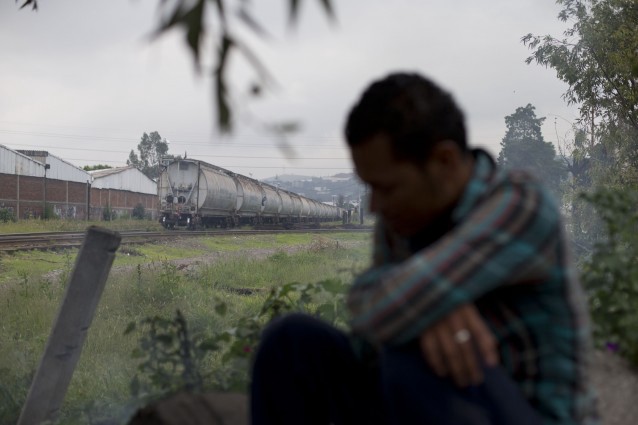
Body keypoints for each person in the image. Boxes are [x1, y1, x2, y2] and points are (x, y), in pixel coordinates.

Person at [250, 72, 598, 424]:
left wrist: (411, 307)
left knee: (410, 353)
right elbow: (369, 312)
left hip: (528, 413)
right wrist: (429, 307)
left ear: (444, 162)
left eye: (386, 188)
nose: (373, 207)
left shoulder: (521, 205)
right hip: (438, 400)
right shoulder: (403, 216)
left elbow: (383, 306)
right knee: (290, 341)